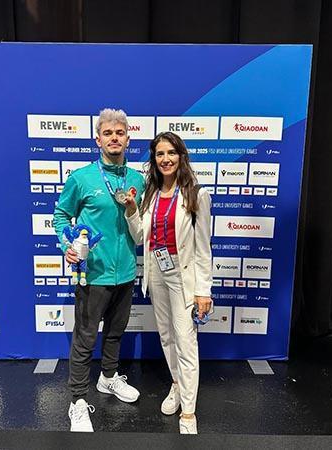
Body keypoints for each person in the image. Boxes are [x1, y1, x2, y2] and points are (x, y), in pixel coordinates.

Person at [53, 108, 145, 432]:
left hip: (126, 274)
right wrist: (67, 245)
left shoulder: (137, 180)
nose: (114, 138)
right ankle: (77, 401)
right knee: (85, 339)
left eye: (120, 133)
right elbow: (60, 216)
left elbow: (140, 225)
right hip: (93, 274)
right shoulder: (81, 178)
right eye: (108, 133)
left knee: (115, 332)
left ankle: (108, 377)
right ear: (98, 139)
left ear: (128, 138)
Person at [122, 131, 212, 434]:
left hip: (183, 276)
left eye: (171, 153)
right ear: (154, 159)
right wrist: (131, 210)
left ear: (181, 156)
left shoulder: (196, 195)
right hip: (156, 273)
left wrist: (203, 291)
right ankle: (176, 384)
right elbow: (139, 237)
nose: (166, 159)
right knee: (167, 336)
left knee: (186, 341)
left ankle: (189, 411)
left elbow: (203, 248)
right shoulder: (149, 194)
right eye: (160, 154)